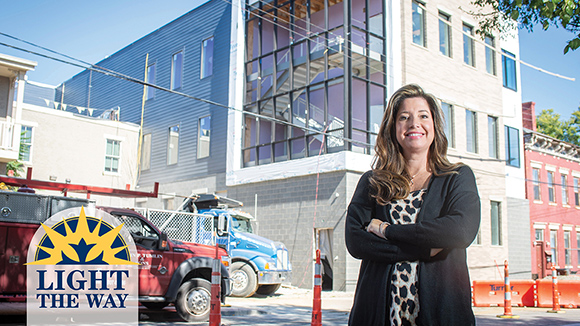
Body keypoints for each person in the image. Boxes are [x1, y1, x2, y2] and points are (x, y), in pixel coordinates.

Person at [345, 84, 480, 325]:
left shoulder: (457, 177)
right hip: (378, 315)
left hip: (442, 314)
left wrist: (387, 231)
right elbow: (356, 241)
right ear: (393, 128)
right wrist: (426, 248)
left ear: (434, 126)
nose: (413, 123)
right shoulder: (373, 182)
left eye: (423, 116)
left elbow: (459, 231)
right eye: (404, 117)